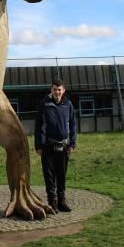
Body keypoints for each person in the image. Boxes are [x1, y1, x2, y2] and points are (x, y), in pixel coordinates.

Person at [35, 79, 77, 213]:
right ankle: (52, 202)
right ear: (51, 90)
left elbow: (73, 124)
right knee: (49, 176)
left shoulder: (68, 104)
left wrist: (72, 143)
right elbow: (38, 126)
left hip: (64, 147)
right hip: (48, 146)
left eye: (59, 89)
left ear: (63, 91)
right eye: (54, 89)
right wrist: (39, 145)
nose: (57, 92)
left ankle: (62, 201)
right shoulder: (44, 104)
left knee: (61, 175)